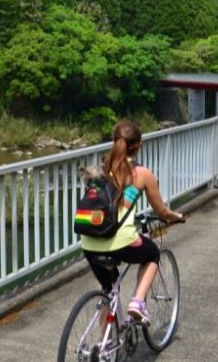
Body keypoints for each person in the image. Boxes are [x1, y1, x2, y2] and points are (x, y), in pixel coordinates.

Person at [80, 119, 184, 324]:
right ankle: (137, 303)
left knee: (108, 291)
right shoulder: (141, 174)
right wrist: (176, 217)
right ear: (139, 146)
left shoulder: (99, 172)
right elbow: (161, 210)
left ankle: (105, 348)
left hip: (89, 242)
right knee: (152, 254)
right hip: (121, 240)